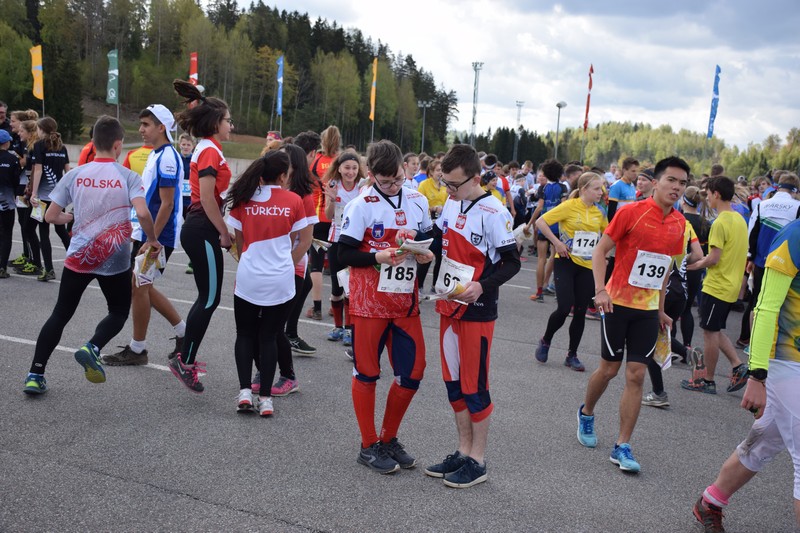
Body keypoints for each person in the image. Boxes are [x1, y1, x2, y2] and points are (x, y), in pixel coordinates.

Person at [22, 116, 161, 395]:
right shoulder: (128, 176)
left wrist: (71, 216)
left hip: (79, 255)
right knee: (119, 310)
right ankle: (92, 347)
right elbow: (143, 213)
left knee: (60, 314)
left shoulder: (75, 174)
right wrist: (153, 239)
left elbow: (50, 216)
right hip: (114, 257)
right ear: (118, 145)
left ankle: (35, 374)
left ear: (94, 143)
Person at [578, 156, 690, 474]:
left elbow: (665, 270)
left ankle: (622, 444)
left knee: (636, 374)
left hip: (648, 309)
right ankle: (587, 412)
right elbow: (601, 250)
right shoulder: (631, 212)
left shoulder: (680, 224)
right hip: (617, 303)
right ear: (656, 181)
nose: (677, 187)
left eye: (682, 183)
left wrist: (662, 309)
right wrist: (600, 290)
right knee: (609, 370)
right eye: (672, 180)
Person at [691, 217, 800, 533]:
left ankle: (711, 501)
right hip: (783, 359)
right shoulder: (793, 236)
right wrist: (757, 376)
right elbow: (764, 309)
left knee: (766, 438)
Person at [423, 144, 520, 488]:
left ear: (476, 178)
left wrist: (482, 286)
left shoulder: (493, 212)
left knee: (474, 386)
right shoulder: (452, 200)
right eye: (445, 183)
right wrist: (418, 247)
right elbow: (440, 239)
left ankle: (478, 460)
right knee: (453, 386)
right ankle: (462, 452)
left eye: (455, 184)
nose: (449, 190)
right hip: (448, 306)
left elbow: (512, 262)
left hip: (476, 312)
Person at [337, 139, 434, 474]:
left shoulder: (419, 201)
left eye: (397, 179)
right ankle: (368, 444)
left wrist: (424, 256)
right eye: (385, 180)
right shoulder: (362, 205)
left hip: (405, 306)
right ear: (371, 173)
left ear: (405, 170)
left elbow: (428, 246)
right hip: (369, 306)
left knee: (414, 371)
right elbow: (340, 255)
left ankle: (389, 438)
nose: (393, 185)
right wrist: (377, 256)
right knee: (368, 372)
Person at [101, 105, 186, 366]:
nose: (141, 130)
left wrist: (153, 240)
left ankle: (138, 350)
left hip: (159, 236)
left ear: (162, 127)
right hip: (149, 233)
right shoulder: (156, 154)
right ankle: (184, 333)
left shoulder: (168, 157)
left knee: (138, 287)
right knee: (140, 286)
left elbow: (167, 204)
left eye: (146, 125)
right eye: (141, 124)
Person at [226, 151, 308, 416]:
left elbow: (239, 243)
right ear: (284, 175)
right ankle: (266, 400)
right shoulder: (294, 200)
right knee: (269, 336)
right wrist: (286, 262)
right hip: (281, 279)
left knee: (245, 334)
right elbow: (303, 240)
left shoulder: (244, 198)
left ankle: (244, 393)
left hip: (249, 276)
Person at [169, 79, 234, 393]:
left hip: (202, 227)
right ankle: (185, 360)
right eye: (228, 120)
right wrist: (224, 232)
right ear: (215, 123)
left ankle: (186, 357)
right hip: (202, 228)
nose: (231, 125)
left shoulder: (212, 149)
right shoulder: (208, 151)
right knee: (209, 299)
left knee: (208, 298)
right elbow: (207, 199)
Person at [682, 176, 749, 395]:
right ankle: (738, 365)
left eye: (708, 194)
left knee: (710, 332)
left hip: (717, 285)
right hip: (730, 285)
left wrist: (692, 266)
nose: (707, 198)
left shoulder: (720, 222)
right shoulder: (739, 219)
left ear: (716, 194)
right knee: (715, 328)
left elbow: (713, 258)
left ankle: (707, 380)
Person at [533, 172, 607, 371]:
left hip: (588, 267)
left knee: (581, 312)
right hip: (566, 262)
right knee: (564, 307)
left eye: (602, 188)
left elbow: (607, 235)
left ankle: (572, 355)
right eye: (597, 188)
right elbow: (541, 222)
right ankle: (546, 340)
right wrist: (556, 243)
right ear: (584, 189)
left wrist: (605, 255)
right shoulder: (569, 206)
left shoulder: (599, 212)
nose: (601, 192)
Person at [262, 143, 318, 397]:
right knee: (263, 325)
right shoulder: (270, 191)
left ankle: (288, 376)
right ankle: (265, 370)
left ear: (295, 166)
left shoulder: (304, 197)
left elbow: (304, 241)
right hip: (268, 268)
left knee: (275, 327)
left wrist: (284, 266)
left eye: (285, 160)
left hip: (292, 269)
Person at [737, 173, 800, 349]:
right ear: (795, 190)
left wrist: (750, 257)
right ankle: (774, 344)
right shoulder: (797, 207)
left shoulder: (762, 204)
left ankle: (749, 341)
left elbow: (752, 233)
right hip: (785, 264)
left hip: (760, 261)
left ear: (778, 186)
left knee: (757, 302)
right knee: (780, 305)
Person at [322, 152, 364, 347]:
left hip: (355, 240)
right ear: (339, 168)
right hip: (336, 238)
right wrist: (331, 199)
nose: (351, 172)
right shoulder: (333, 185)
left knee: (351, 287)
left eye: (354, 168)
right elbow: (329, 215)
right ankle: (338, 327)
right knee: (337, 286)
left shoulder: (363, 186)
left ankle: (350, 329)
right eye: (347, 168)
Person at [29, 116, 71, 282]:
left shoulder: (39, 146)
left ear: (42, 130)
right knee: (61, 230)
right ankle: (78, 260)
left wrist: (34, 193)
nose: (37, 132)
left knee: (44, 232)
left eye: (38, 129)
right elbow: (68, 171)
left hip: (45, 197)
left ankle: (49, 270)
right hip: (59, 197)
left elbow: (38, 171)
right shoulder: (62, 147)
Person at [306, 125, 340, 320]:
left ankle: (317, 307)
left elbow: (309, 186)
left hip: (318, 217)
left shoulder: (316, 161)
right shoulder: (342, 162)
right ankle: (335, 305)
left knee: (316, 265)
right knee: (338, 265)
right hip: (337, 219)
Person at [526, 159, 566, 302]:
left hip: (544, 224)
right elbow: (563, 207)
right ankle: (546, 285)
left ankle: (539, 292)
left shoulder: (543, 188)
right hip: (557, 226)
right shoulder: (563, 188)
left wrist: (530, 223)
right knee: (553, 257)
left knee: (541, 259)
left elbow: (539, 207)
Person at [416, 158, 447, 291]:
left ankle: (435, 285)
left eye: (442, 170)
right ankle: (419, 286)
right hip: (428, 226)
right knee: (426, 255)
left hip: (440, 227)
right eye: (439, 170)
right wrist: (433, 208)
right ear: (431, 172)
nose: (441, 173)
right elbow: (418, 205)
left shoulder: (445, 187)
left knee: (441, 256)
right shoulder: (424, 185)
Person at [0, 129, 22, 278]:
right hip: (7, 202)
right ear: (7, 142)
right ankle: (2, 267)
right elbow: (17, 181)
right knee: (6, 234)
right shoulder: (13, 159)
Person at [178, 133, 195, 274]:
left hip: (190, 202)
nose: (185, 147)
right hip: (177, 202)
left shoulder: (195, 161)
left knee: (190, 233)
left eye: (188, 145)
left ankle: (192, 261)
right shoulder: (175, 160)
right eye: (183, 144)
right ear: (179, 145)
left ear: (192, 147)